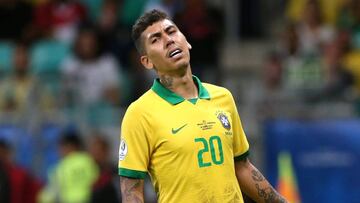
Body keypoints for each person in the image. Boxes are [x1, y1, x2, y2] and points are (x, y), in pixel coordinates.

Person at [118, 9, 288, 203]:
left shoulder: (223, 97)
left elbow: (241, 167)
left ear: (186, 42)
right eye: (156, 39)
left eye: (171, 31)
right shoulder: (139, 113)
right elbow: (132, 192)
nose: (168, 40)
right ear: (147, 62)